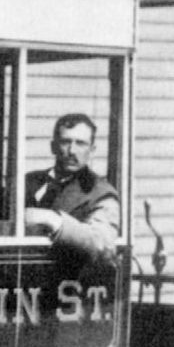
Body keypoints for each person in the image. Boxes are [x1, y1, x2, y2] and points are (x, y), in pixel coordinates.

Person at [24, 113, 121, 266]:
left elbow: (103, 245)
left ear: (92, 149)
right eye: (65, 142)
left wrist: (54, 220)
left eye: (81, 143)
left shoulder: (101, 193)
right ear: (53, 147)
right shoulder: (28, 182)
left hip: (67, 282)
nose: (72, 150)